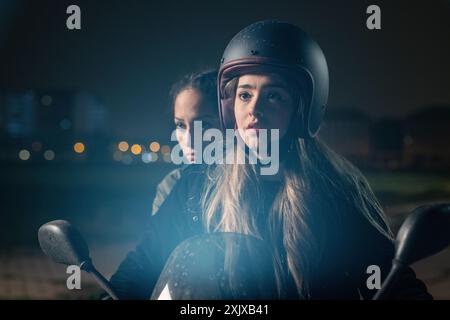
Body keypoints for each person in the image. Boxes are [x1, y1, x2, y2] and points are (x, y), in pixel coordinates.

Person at [110, 20, 432, 300]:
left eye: (274, 96)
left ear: (302, 109)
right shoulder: (198, 183)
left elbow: (388, 280)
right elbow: (144, 264)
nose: (254, 110)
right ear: (229, 105)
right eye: (245, 94)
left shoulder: (333, 188)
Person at [151, 70, 220, 215]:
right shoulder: (171, 185)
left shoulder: (255, 180)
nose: (189, 140)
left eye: (204, 125)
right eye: (181, 125)